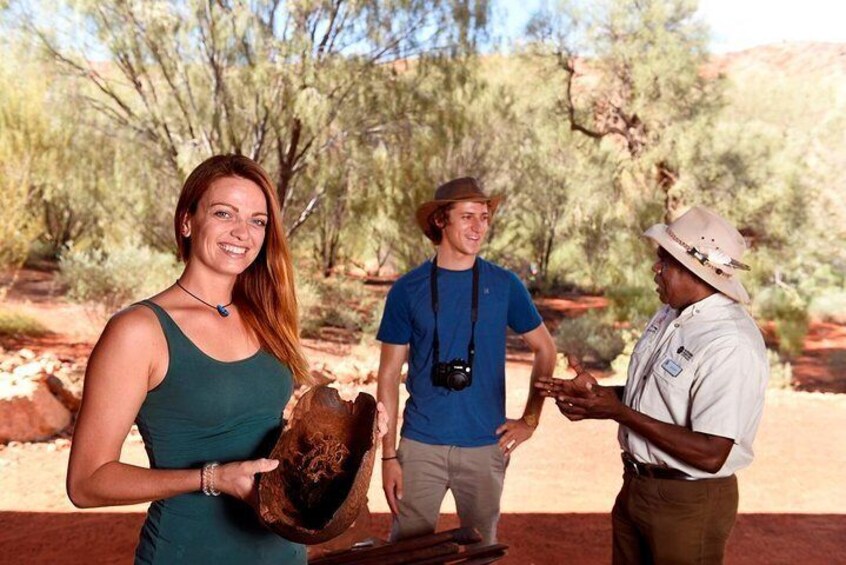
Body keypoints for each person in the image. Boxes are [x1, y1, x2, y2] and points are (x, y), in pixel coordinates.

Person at [66, 155, 313, 564]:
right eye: (223, 213)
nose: (242, 232)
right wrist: (212, 478)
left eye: (257, 220)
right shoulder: (140, 331)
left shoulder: (266, 315)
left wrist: (348, 436)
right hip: (188, 552)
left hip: (282, 552)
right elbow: (86, 483)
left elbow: (263, 433)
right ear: (187, 221)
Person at [539, 206, 769, 564]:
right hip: (636, 485)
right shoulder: (671, 314)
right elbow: (657, 398)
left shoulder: (729, 342)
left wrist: (619, 412)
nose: (655, 268)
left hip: (688, 502)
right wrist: (600, 399)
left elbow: (712, 453)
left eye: (664, 260)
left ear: (693, 269)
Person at [376, 177, 556, 545]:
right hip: (420, 444)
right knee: (406, 551)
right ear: (442, 220)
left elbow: (546, 349)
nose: (479, 228)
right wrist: (389, 456)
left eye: (485, 218)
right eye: (468, 217)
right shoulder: (407, 289)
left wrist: (531, 420)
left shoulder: (505, 285)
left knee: (481, 550)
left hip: (485, 445)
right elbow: (388, 376)